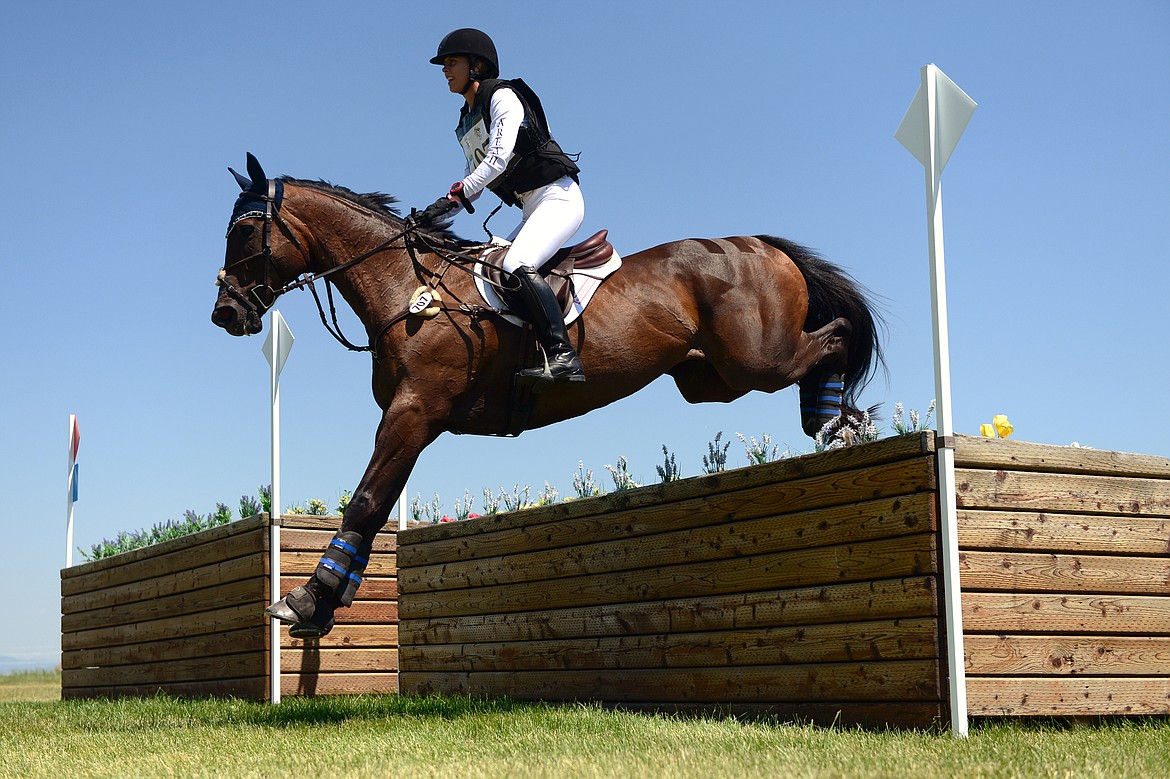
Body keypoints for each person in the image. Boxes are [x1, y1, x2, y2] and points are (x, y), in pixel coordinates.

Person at [415, 28, 586, 384]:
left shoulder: (502, 96)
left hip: (558, 197)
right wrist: (438, 212)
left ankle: (563, 355)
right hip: (531, 207)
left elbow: (497, 159)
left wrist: (455, 196)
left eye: (451, 63)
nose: (445, 71)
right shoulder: (466, 120)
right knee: (485, 267)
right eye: (443, 65)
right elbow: (473, 182)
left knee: (514, 263)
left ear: (476, 65)